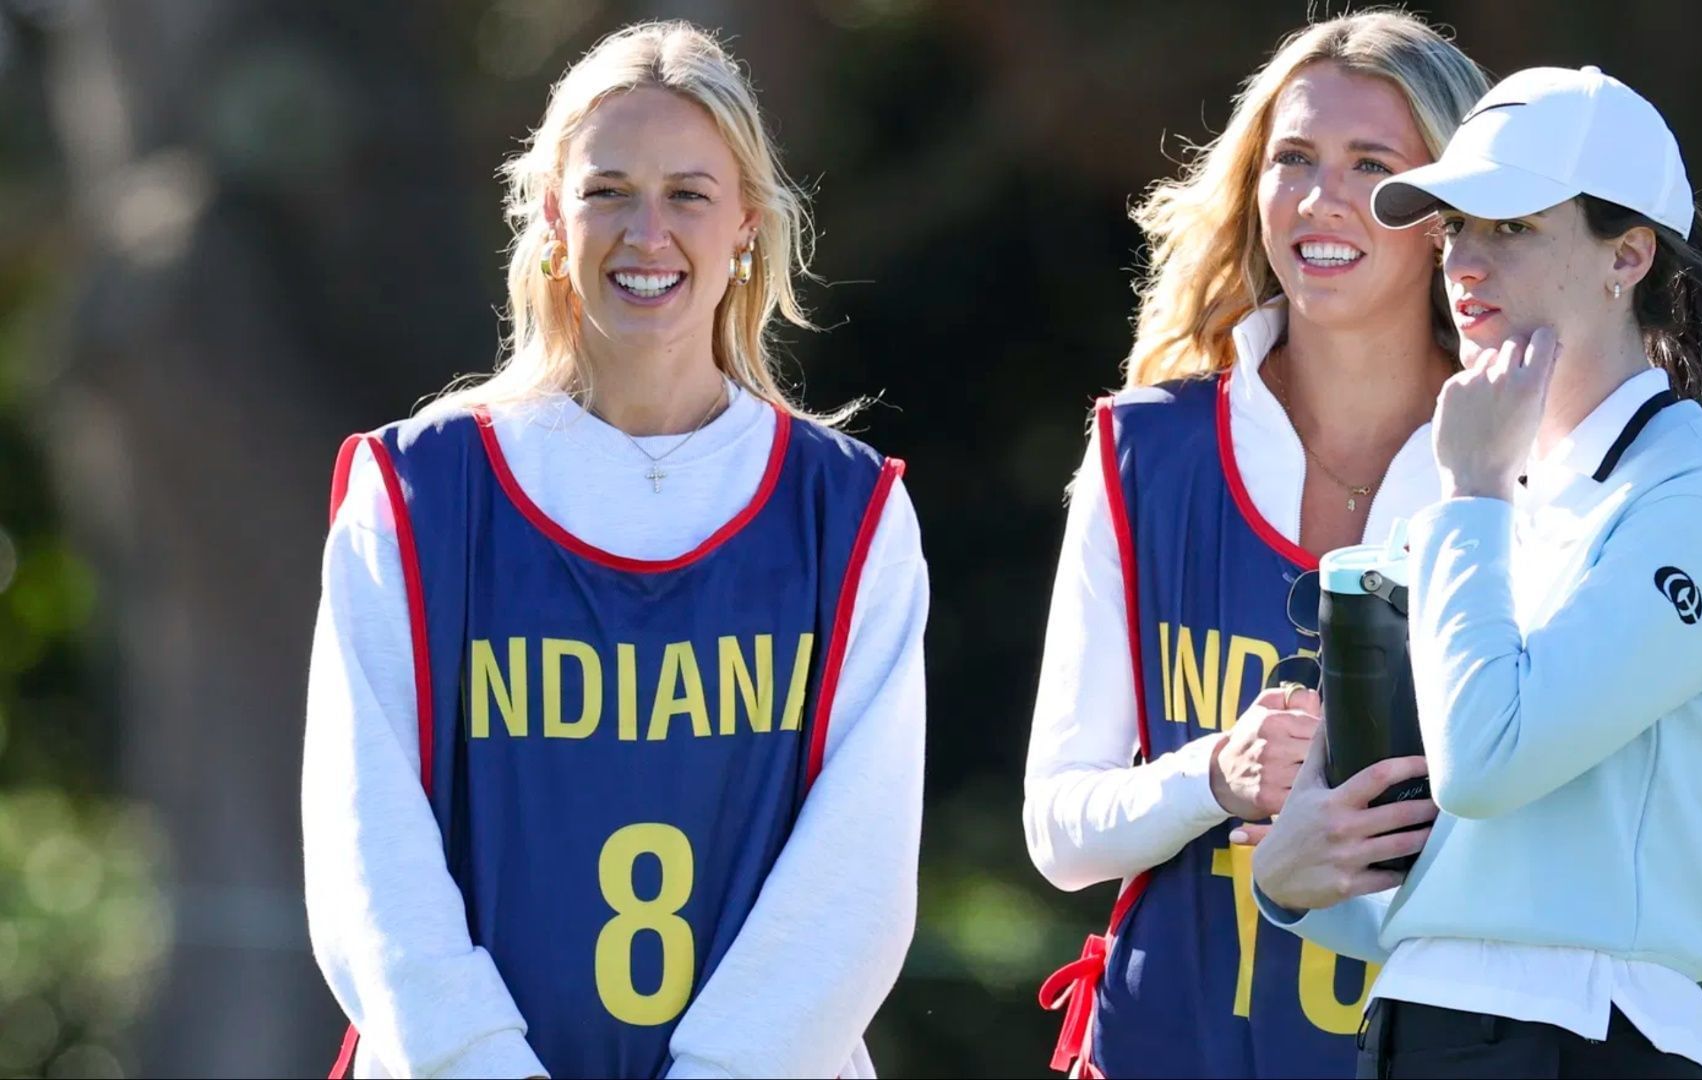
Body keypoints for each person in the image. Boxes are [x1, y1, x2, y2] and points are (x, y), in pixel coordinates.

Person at [301, 21, 927, 1079]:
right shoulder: (412, 496)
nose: (648, 232)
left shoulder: (850, 512)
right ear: (550, 217)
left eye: (688, 193)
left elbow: (854, 883)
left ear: (748, 228)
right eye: (607, 191)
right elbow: (369, 859)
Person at [1248, 66, 1702, 1079]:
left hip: (1594, 1039)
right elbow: (1429, 886)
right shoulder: (1471, 502)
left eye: (1512, 227)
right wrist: (1290, 886)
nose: (1464, 260)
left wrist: (1468, 494)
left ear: (1628, 255)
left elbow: (1492, 762)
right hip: (1414, 1025)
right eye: (1456, 226)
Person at [1023, 12, 1486, 1077]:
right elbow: (1059, 829)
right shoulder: (1142, 449)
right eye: (1293, 160)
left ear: (1449, 212)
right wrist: (1214, 776)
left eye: (1374, 165)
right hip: (1162, 1046)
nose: (1321, 200)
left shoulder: (1526, 468)